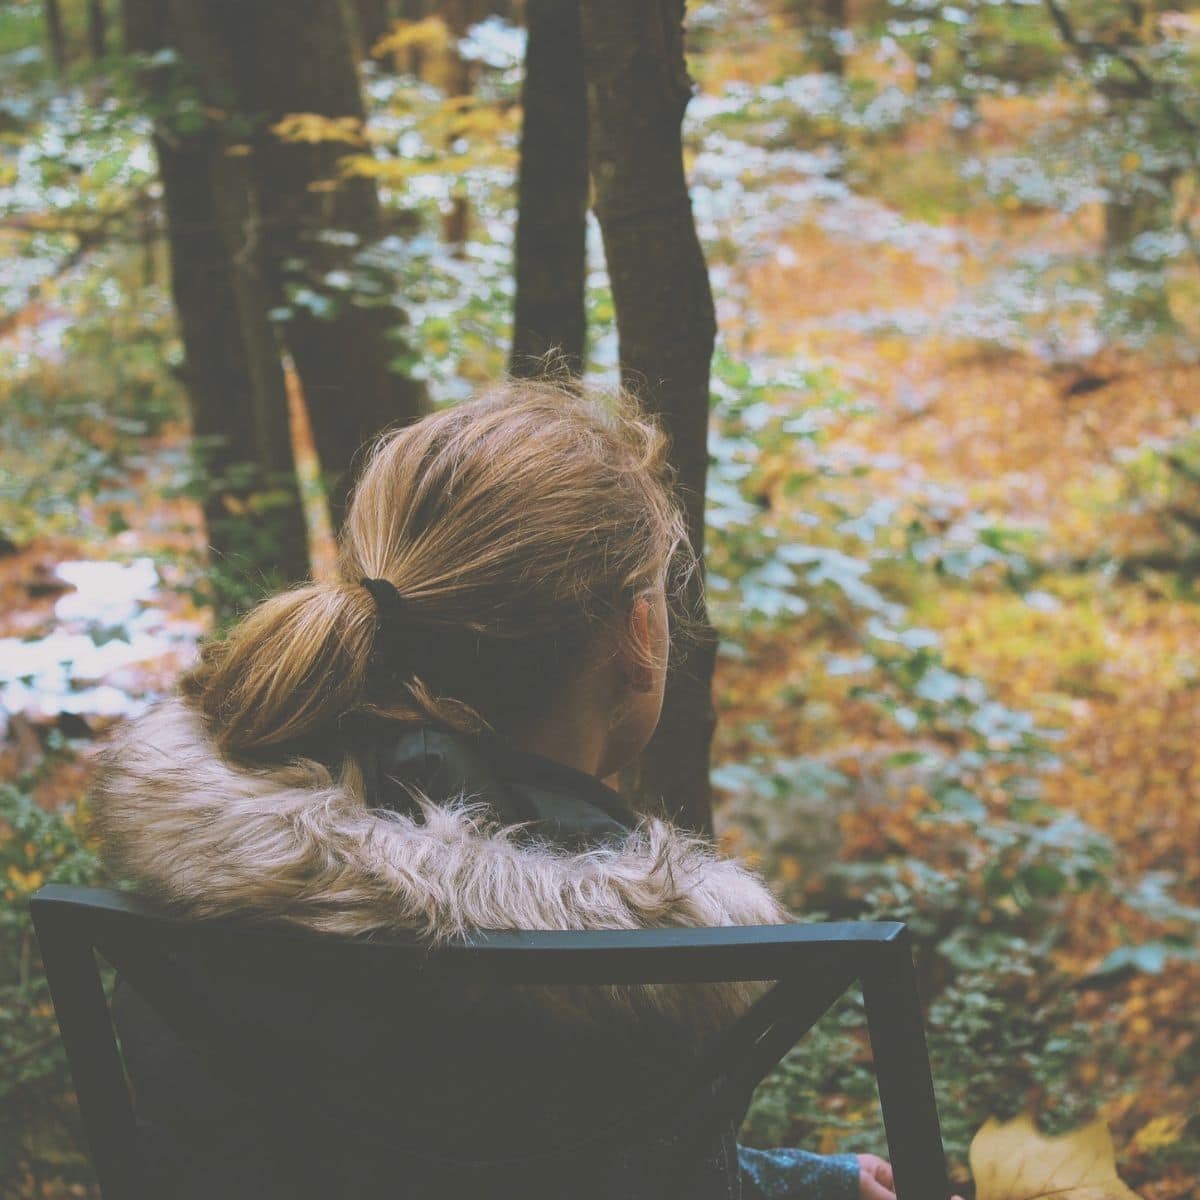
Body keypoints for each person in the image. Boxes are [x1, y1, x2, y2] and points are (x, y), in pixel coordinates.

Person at [90, 379, 946, 1200]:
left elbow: (390, 1154)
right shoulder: (634, 972)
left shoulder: (219, 868)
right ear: (639, 636)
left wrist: (806, 1185)